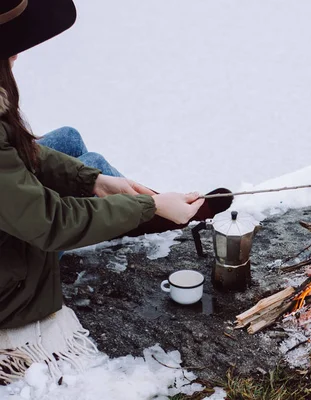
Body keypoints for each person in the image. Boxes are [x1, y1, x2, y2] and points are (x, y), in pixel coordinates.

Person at [0, 0, 231, 329]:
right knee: (91, 170)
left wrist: (95, 181)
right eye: (11, 45)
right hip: (8, 286)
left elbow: (12, 149)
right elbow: (51, 224)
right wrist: (143, 205)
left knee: (70, 141)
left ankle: (149, 214)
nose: (17, 54)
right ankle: (149, 214)